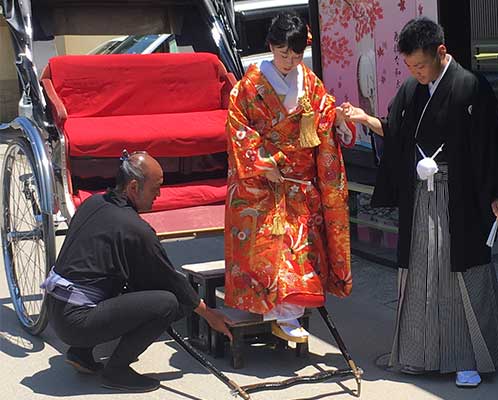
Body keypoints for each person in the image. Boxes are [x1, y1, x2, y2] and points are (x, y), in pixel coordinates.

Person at [342, 17, 498, 387]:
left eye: (420, 65)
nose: (416, 72)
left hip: (462, 196)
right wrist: (364, 119)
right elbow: (397, 131)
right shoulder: (412, 89)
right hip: (423, 196)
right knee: (420, 273)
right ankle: (420, 354)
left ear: (441, 52)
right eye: (410, 66)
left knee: (461, 275)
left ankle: (468, 358)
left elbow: (490, 143)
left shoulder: (471, 87)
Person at [42, 151, 232, 393]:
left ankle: (82, 352)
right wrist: (210, 314)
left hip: (56, 306)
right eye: (155, 188)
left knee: (120, 277)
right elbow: (170, 280)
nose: (159, 195)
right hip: (77, 321)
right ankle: (116, 371)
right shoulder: (134, 228)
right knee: (168, 303)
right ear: (133, 187)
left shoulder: (94, 203)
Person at [224, 12, 354, 343]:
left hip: (300, 182)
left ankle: (288, 312)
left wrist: (337, 119)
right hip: (263, 181)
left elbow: (323, 119)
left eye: (296, 55)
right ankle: (281, 314)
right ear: (271, 47)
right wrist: (261, 160)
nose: (290, 61)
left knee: (303, 248)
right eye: (284, 54)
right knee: (273, 242)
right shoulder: (248, 88)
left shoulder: (310, 83)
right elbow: (238, 130)